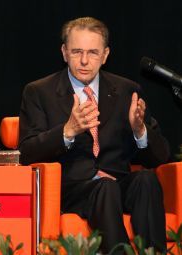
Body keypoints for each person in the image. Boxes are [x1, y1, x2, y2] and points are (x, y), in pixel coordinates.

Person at [19, 17, 169, 253]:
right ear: (64, 52)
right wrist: (67, 131)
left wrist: (140, 131)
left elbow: (160, 157)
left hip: (119, 184)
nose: (85, 61)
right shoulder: (39, 92)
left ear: (106, 55)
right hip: (74, 190)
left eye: (93, 52)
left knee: (146, 180)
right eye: (77, 52)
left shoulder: (126, 91)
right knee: (105, 189)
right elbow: (27, 153)